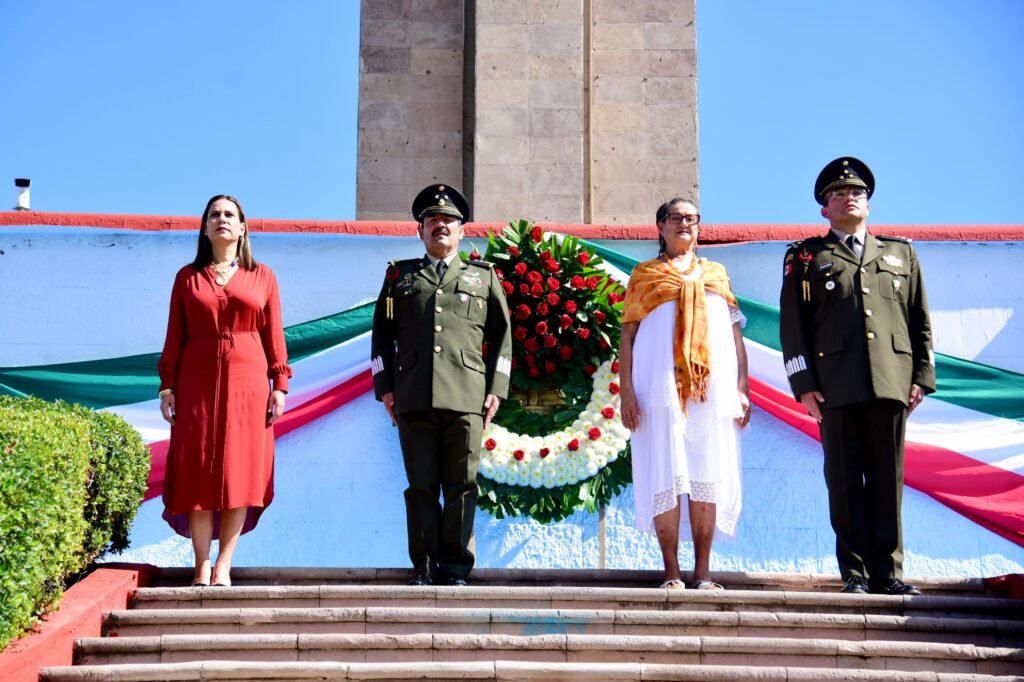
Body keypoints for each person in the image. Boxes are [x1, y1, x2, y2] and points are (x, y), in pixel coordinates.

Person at [779, 157, 935, 596]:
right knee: (845, 483)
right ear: (824, 209)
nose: (850, 198)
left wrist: (921, 375)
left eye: (857, 193)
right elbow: (794, 328)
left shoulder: (900, 253)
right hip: (834, 386)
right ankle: (856, 574)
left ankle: (890, 574)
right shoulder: (806, 255)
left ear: (868, 204)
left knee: (888, 479)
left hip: (892, 380)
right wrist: (804, 384)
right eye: (839, 194)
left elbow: (919, 319)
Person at [370, 183, 512, 586]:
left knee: (462, 486)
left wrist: (496, 387)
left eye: (448, 220)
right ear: (421, 231)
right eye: (432, 220)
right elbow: (381, 334)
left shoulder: (482, 277)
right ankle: (425, 566)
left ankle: (454, 568)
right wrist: (385, 387)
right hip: (412, 395)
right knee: (420, 487)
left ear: (462, 230)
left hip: (467, 395)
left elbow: (503, 335)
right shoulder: (400, 276)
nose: (440, 226)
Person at [157, 195, 291, 587]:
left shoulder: (263, 275)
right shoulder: (187, 277)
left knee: (239, 471)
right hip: (195, 382)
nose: (222, 220)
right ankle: (200, 564)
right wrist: (167, 386)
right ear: (204, 227)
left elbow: (275, 335)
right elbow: (173, 336)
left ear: (243, 227)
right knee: (197, 468)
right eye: (214, 215)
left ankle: (223, 565)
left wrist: (279, 385)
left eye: (230, 215)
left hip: (249, 384)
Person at [619, 198, 750, 590]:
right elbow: (627, 336)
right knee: (667, 476)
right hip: (658, 392)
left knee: (706, 475)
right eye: (675, 218)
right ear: (659, 226)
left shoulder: (716, 274)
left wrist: (742, 388)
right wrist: (626, 391)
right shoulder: (645, 276)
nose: (684, 225)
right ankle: (672, 572)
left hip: (710, 393)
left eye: (691, 219)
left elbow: (734, 334)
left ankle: (704, 572)